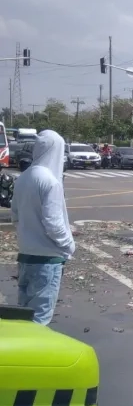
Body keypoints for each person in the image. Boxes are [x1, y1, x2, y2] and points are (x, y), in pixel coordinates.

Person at [10, 130, 74, 325]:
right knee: (40, 321)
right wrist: (69, 245)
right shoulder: (50, 182)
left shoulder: (23, 177)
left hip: (26, 256)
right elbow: (54, 224)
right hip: (46, 260)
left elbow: (16, 216)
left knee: (25, 318)